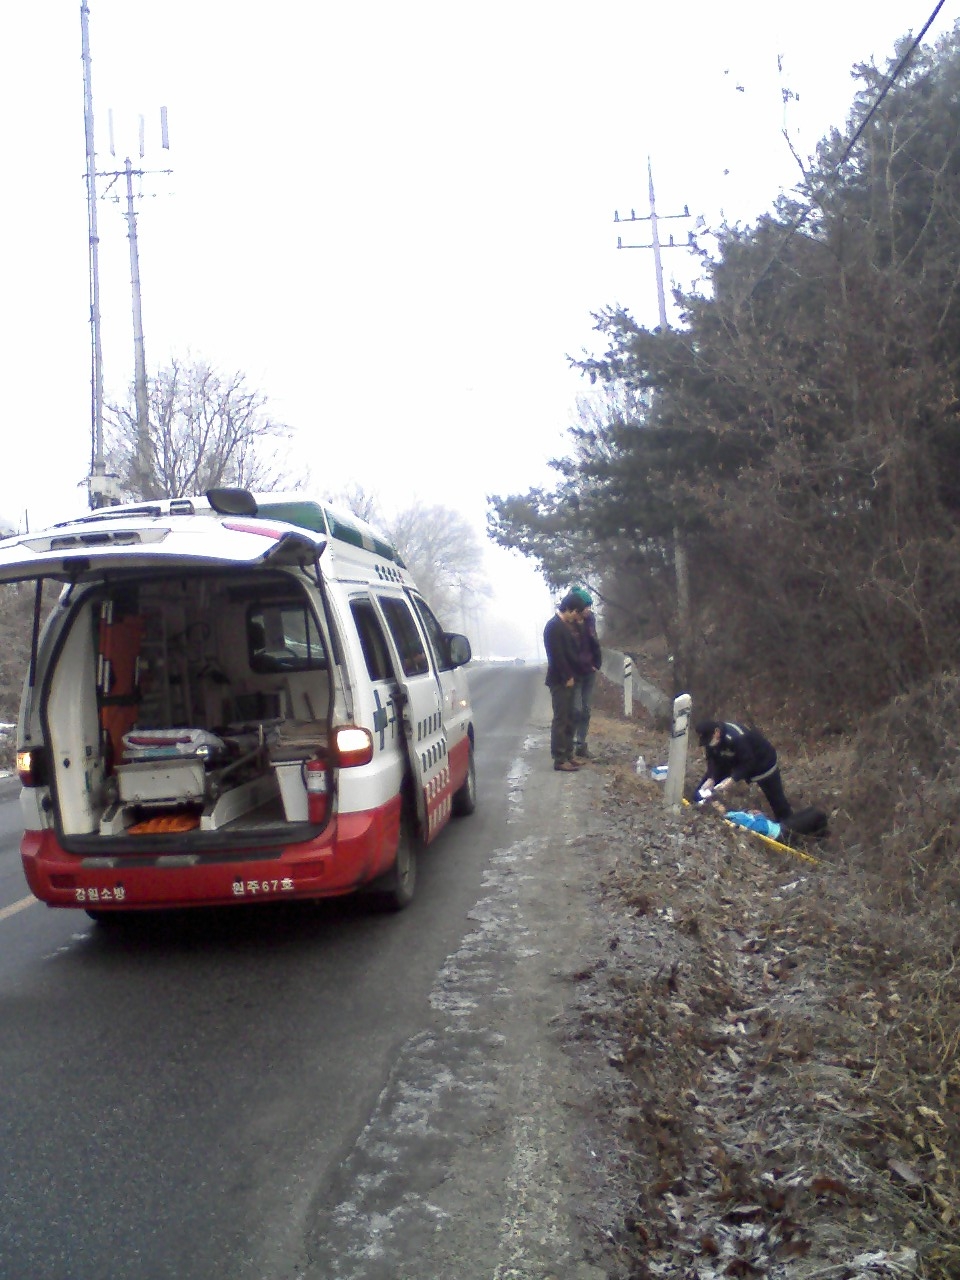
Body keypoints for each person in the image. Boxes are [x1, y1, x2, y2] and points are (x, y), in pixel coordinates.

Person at [694, 719, 793, 820]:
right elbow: (711, 759)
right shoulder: (710, 741)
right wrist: (711, 777)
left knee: (776, 799)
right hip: (731, 760)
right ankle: (699, 807)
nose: (708, 744)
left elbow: (748, 762)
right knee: (702, 790)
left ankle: (787, 823)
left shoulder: (737, 737)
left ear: (717, 732)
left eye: (709, 740)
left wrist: (733, 779)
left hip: (762, 762)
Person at [543, 593, 586, 772]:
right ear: (569, 609)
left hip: (571, 678)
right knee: (561, 719)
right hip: (560, 680)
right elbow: (556, 656)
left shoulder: (566, 626)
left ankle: (569, 754)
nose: (576, 617)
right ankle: (559, 758)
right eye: (576, 613)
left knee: (571, 717)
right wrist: (567, 675)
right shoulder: (553, 627)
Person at [569, 587, 602, 759]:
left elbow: (594, 641)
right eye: (586, 606)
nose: (589, 609)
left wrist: (596, 663)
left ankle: (581, 744)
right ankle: (570, 744)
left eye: (590, 606)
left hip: (589, 669)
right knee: (576, 709)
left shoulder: (591, 620)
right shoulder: (568, 623)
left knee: (586, 709)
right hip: (575, 672)